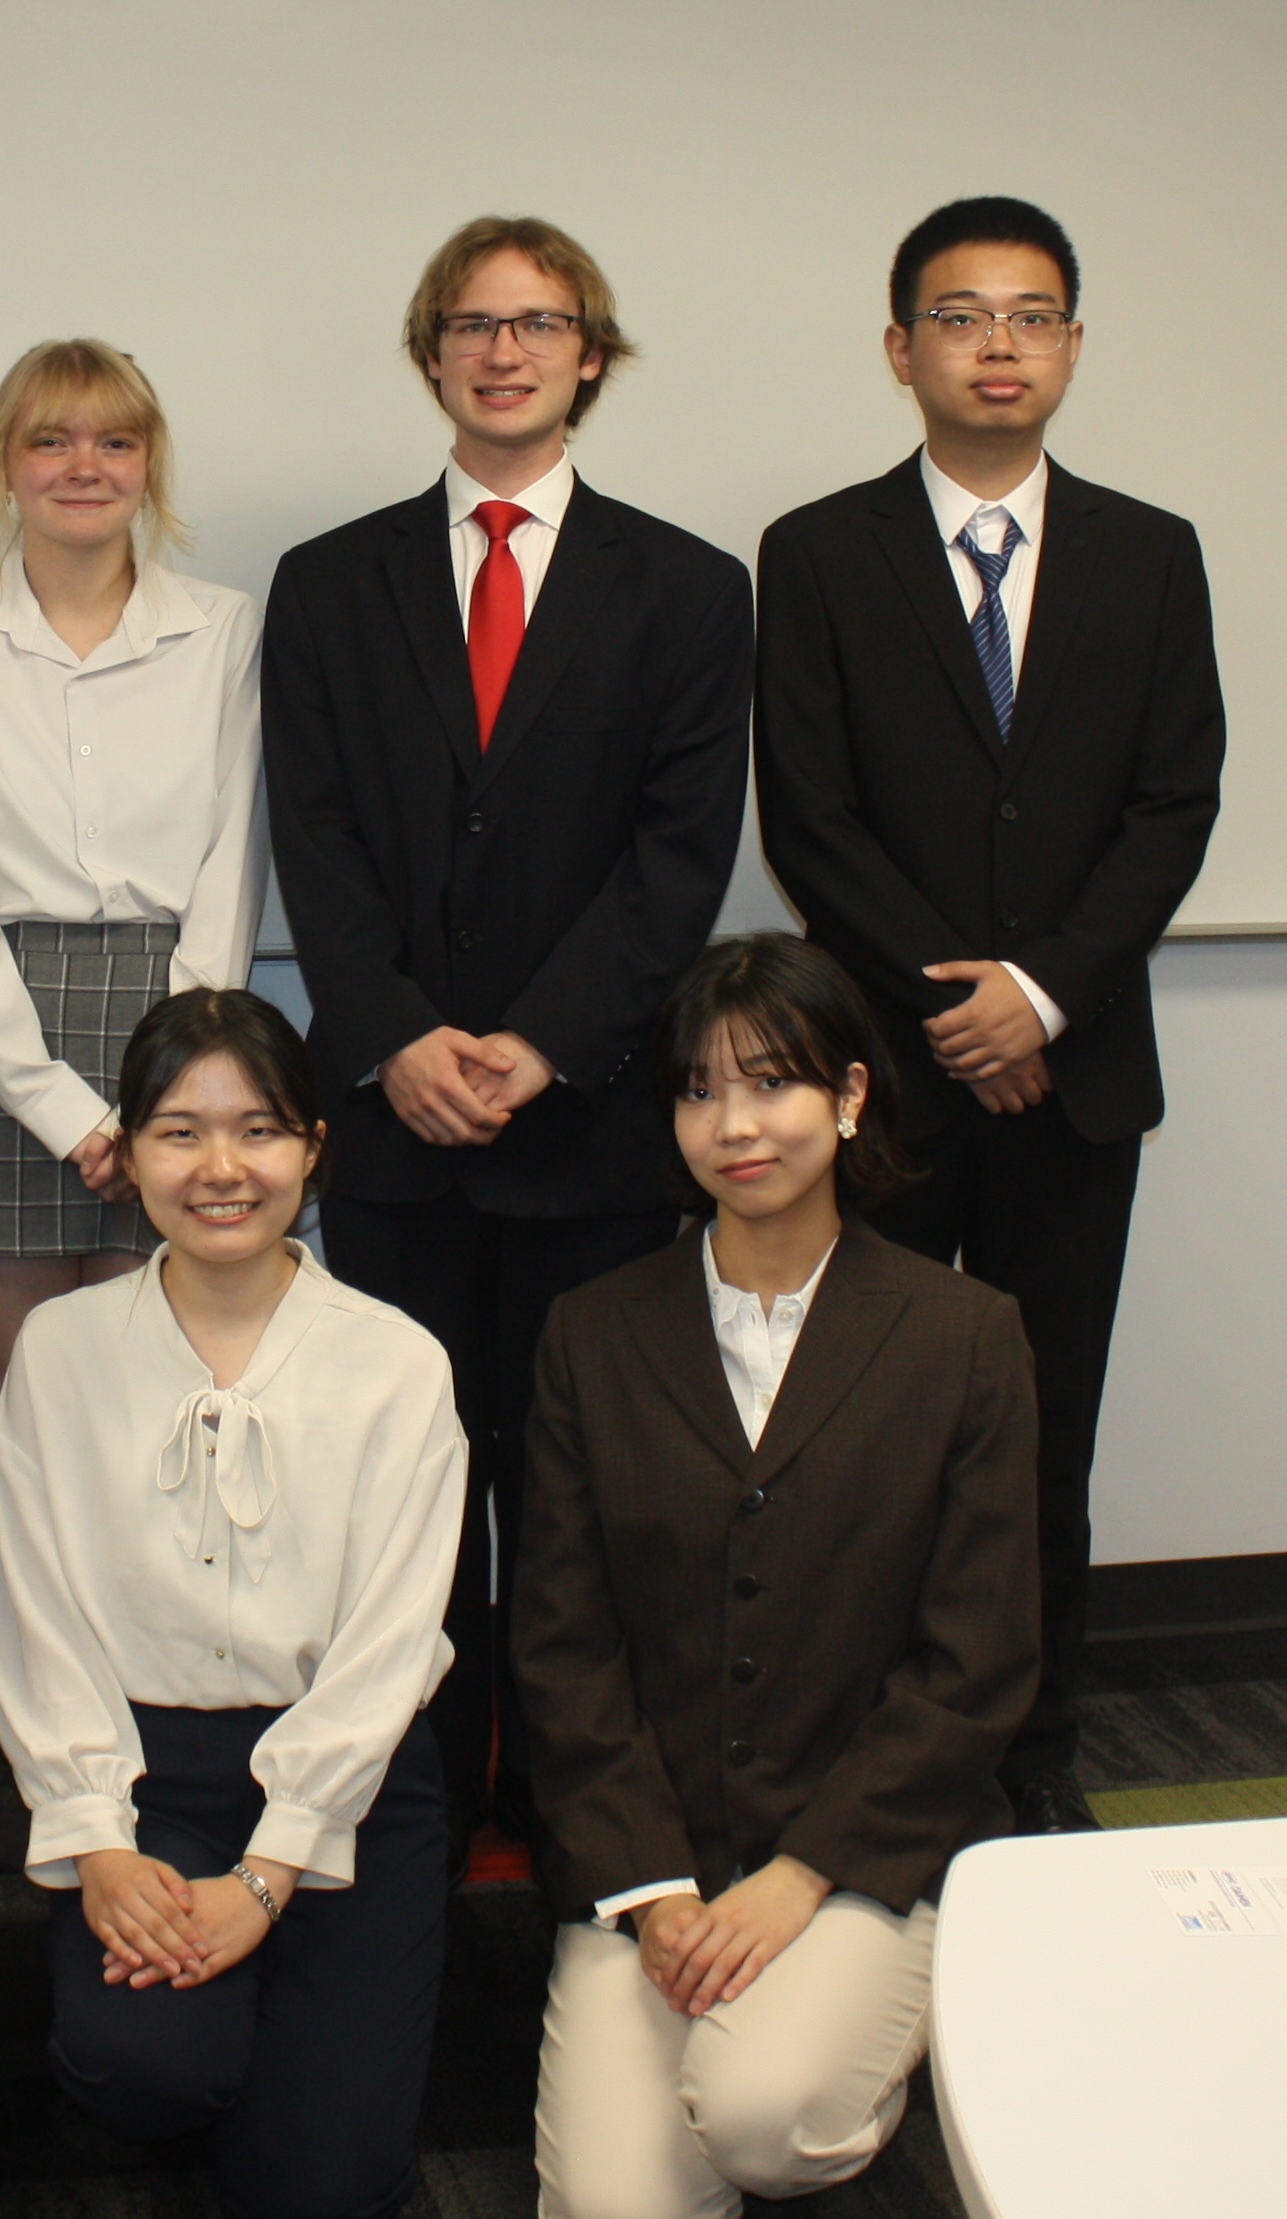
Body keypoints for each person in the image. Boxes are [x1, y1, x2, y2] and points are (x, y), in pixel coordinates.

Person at [262, 215, 752, 1868]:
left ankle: (566, 1813)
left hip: (588, 1129)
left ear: (588, 355)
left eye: (538, 323)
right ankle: (406, 1803)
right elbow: (312, 839)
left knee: (573, 1505)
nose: (502, 349)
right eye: (468, 323)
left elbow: (676, 858)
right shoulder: (330, 583)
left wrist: (540, 1042)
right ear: (429, 354)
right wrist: (394, 1037)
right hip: (396, 1130)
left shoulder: (686, 587)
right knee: (396, 1499)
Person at [752, 195, 1224, 1834]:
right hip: (888, 1077)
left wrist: (1039, 993)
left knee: (1039, 1434)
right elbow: (807, 819)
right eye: (960, 315)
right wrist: (958, 1001)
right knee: (855, 1428)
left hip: (1075, 1076)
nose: (998, 344)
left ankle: (1029, 1754)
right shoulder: (813, 553)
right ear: (901, 350)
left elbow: (1173, 805)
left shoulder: (1152, 554)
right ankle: (849, 1743)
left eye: (1032, 315)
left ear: (1074, 347)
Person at [512, 934, 1040, 2219]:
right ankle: (740, 2037)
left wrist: (803, 1875)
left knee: (764, 2119)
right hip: (656, 1859)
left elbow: (974, 1662)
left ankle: (862, 2015)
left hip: (859, 1843)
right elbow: (562, 1644)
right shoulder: (592, 1328)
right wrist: (651, 1892)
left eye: (772, 1083)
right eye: (698, 1089)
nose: (735, 1124)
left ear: (851, 1097)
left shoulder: (962, 1335)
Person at [0, 988, 467, 2219]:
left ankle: (280, 2049)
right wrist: (94, 1840)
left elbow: (391, 1650)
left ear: (313, 1149)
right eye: (178, 1132)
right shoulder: (60, 1347)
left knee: (317, 2208)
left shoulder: (398, 1360)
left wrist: (272, 1871)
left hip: (348, 1783)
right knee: (142, 2069)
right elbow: (37, 1619)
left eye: (257, 1130)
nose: (220, 1169)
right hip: (146, 1775)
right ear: (128, 1153)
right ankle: (229, 2044)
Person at [0, 336, 266, 1864]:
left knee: (171, 1420)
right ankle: (40, 1745)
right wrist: (61, 1105)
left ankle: (170, 1726)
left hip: (185, 1014)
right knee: (31, 1423)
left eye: (114, 440)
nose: (83, 466)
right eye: (51, 441)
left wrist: (183, 1082)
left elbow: (238, 850)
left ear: (150, 465)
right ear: (2, 466)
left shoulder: (223, 630)